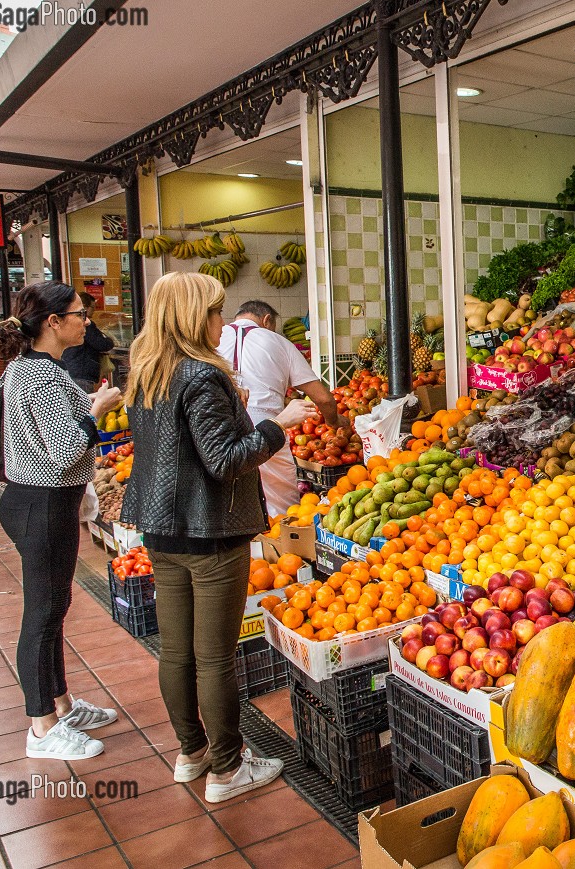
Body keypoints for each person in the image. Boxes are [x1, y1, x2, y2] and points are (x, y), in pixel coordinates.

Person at [121, 272, 316, 803]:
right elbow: (225, 460)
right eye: (214, 311)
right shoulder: (200, 376)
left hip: (163, 529)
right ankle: (228, 769)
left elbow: (182, 445)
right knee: (215, 658)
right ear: (194, 318)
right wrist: (279, 422)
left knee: (177, 651)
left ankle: (192, 752)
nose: (220, 321)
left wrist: (233, 408)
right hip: (209, 531)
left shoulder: (147, 371)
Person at [0, 282, 125, 760]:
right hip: (41, 503)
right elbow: (64, 449)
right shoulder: (40, 377)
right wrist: (98, 410)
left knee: (53, 610)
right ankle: (41, 726)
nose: (85, 321)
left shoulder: (37, 369)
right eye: (77, 314)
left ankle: (60, 705)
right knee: (42, 615)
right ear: (53, 322)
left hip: (45, 502)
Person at [216, 300, 342, 515]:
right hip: (267, 426)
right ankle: (280, 545)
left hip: (219, 426)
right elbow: (323, 398)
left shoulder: (215, 337)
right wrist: (335, 422)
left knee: (227, 504)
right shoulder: (278, 341)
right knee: (283, 510)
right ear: (267, 320)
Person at [61, 292, 116, 392]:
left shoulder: (67, 324)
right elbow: (101, 344)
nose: (94, 311)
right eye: (93, 308)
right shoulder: (86, 324)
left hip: (71, 370)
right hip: (82, 373)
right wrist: (108, 341)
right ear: (84, 308)